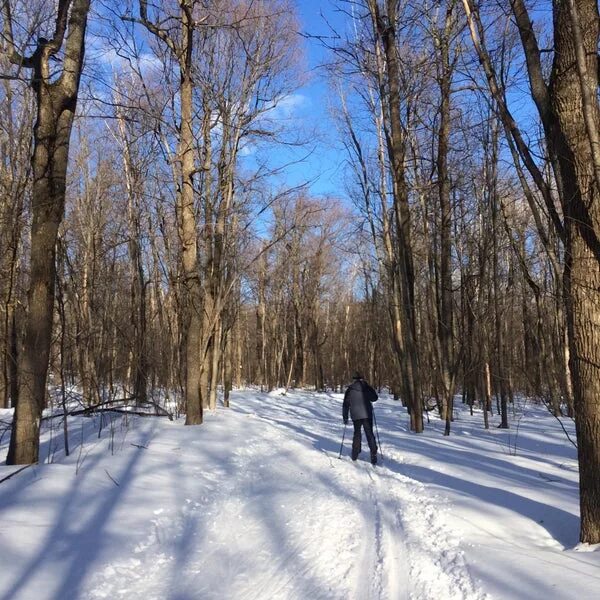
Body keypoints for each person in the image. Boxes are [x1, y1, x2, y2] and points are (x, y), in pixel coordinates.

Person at [342, 372, 378, 465]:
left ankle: (355, 453)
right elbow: (374, 398)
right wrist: (369, 388)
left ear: (354, 379)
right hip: (367, 414)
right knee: (369, 433)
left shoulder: (350, 390)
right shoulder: (366, 387)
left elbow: (346, 404)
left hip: (355, 414)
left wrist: (345, 417)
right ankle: (373, 453)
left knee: (357, 433)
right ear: (361, 379)